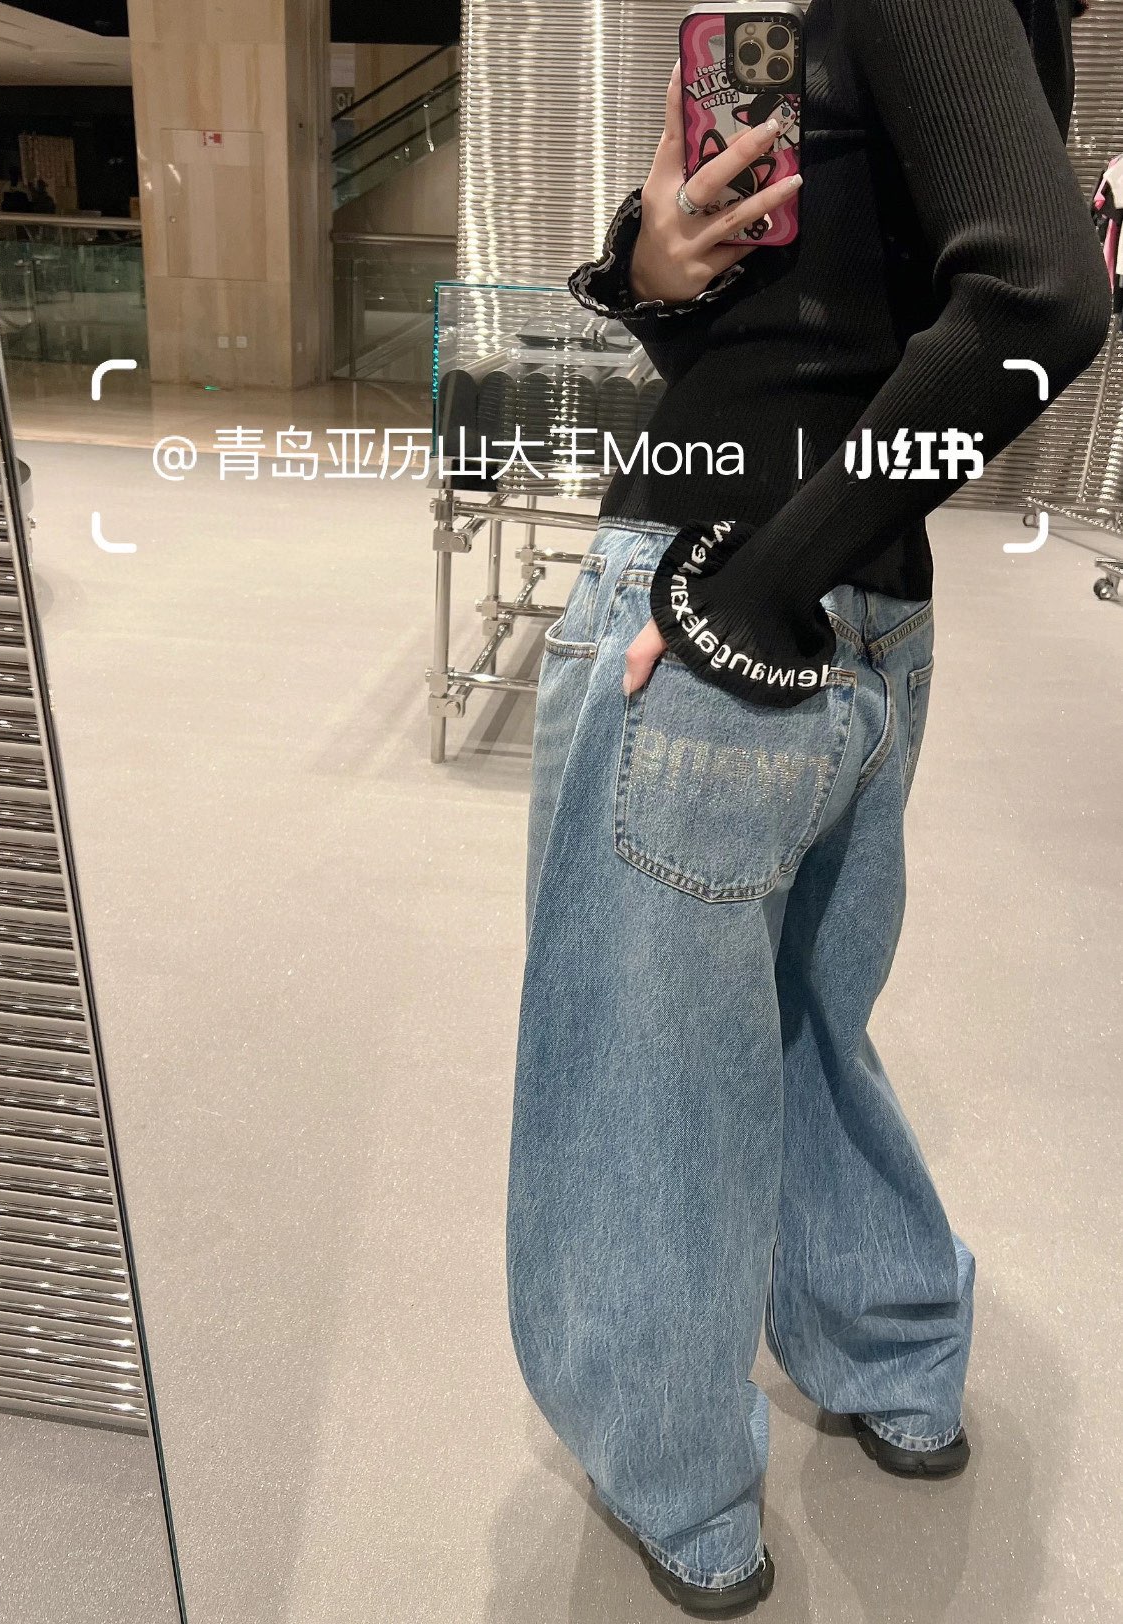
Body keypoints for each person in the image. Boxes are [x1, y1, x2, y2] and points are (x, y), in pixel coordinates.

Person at [506, 0, 1109, 1615]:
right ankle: (889, 1351)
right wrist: (650, 273)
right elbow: (818, 340)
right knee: (798, 1021)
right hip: (867, 603)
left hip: (717, 580)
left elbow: (1045, 303)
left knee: (640, 1068)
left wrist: (759, 584)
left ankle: (678, 1482)